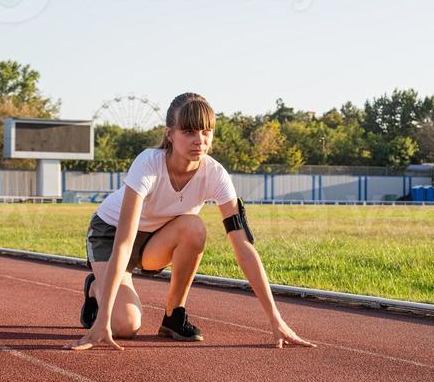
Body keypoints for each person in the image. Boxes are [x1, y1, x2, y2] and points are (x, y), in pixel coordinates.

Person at [66, 92, 316, 351]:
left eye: (207, 131)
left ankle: (174, 316)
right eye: (189, 132)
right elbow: (124, 241)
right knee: (125, 326)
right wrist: (103, 320)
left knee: (194, 227)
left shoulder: (216, 175)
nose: (199, 140)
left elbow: (243, 247)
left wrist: (276, 320)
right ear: (169, 134)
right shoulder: (148, 164)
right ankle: (97, 287)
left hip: (157, 239)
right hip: (112, 234)